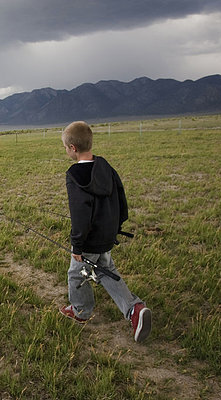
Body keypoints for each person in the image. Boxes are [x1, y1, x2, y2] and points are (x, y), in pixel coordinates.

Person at [59, 121, 152, 343]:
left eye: (65, 147)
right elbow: (121, 198)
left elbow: (80, 215)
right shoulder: (105, 167)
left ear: (73, 148)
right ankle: (135, 309)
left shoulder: (74, 176)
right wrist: (115, 226)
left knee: (75, 273)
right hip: (107, 234)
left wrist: (77, 245)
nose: (65, 151)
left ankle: (80, 311)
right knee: (105, 269)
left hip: (89, 240)